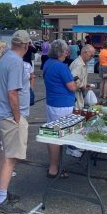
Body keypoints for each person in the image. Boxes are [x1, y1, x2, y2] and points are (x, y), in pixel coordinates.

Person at [0, 30, 32, 214]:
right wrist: (17, 117)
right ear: (25, 45)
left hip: (3, 113)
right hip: (10, 116)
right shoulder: (16, 62)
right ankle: (1, 199)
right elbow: (12, 93)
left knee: (5, 154)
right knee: (10, 158)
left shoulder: (6, 57)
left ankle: (3, 192)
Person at [43, 40, 77, 178]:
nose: (68, 52)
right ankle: (54, 167)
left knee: (52, 135)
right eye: (66, 50)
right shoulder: (61, 66)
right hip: (62, 105)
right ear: (61, 52)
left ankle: (53, 165)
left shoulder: (47, 63)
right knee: (58, 137)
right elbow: (72, 87)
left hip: (52, 103)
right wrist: (78, 84)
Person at [70, 44, 95, 110]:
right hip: (74, 97)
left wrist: (85, 85)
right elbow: (74, 77)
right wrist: (82, 85)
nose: (91, 58)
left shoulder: (83, 63)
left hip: (78, 95)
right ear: (85, 52)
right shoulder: (78, 64)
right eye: (91, 56)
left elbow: (78, 78)